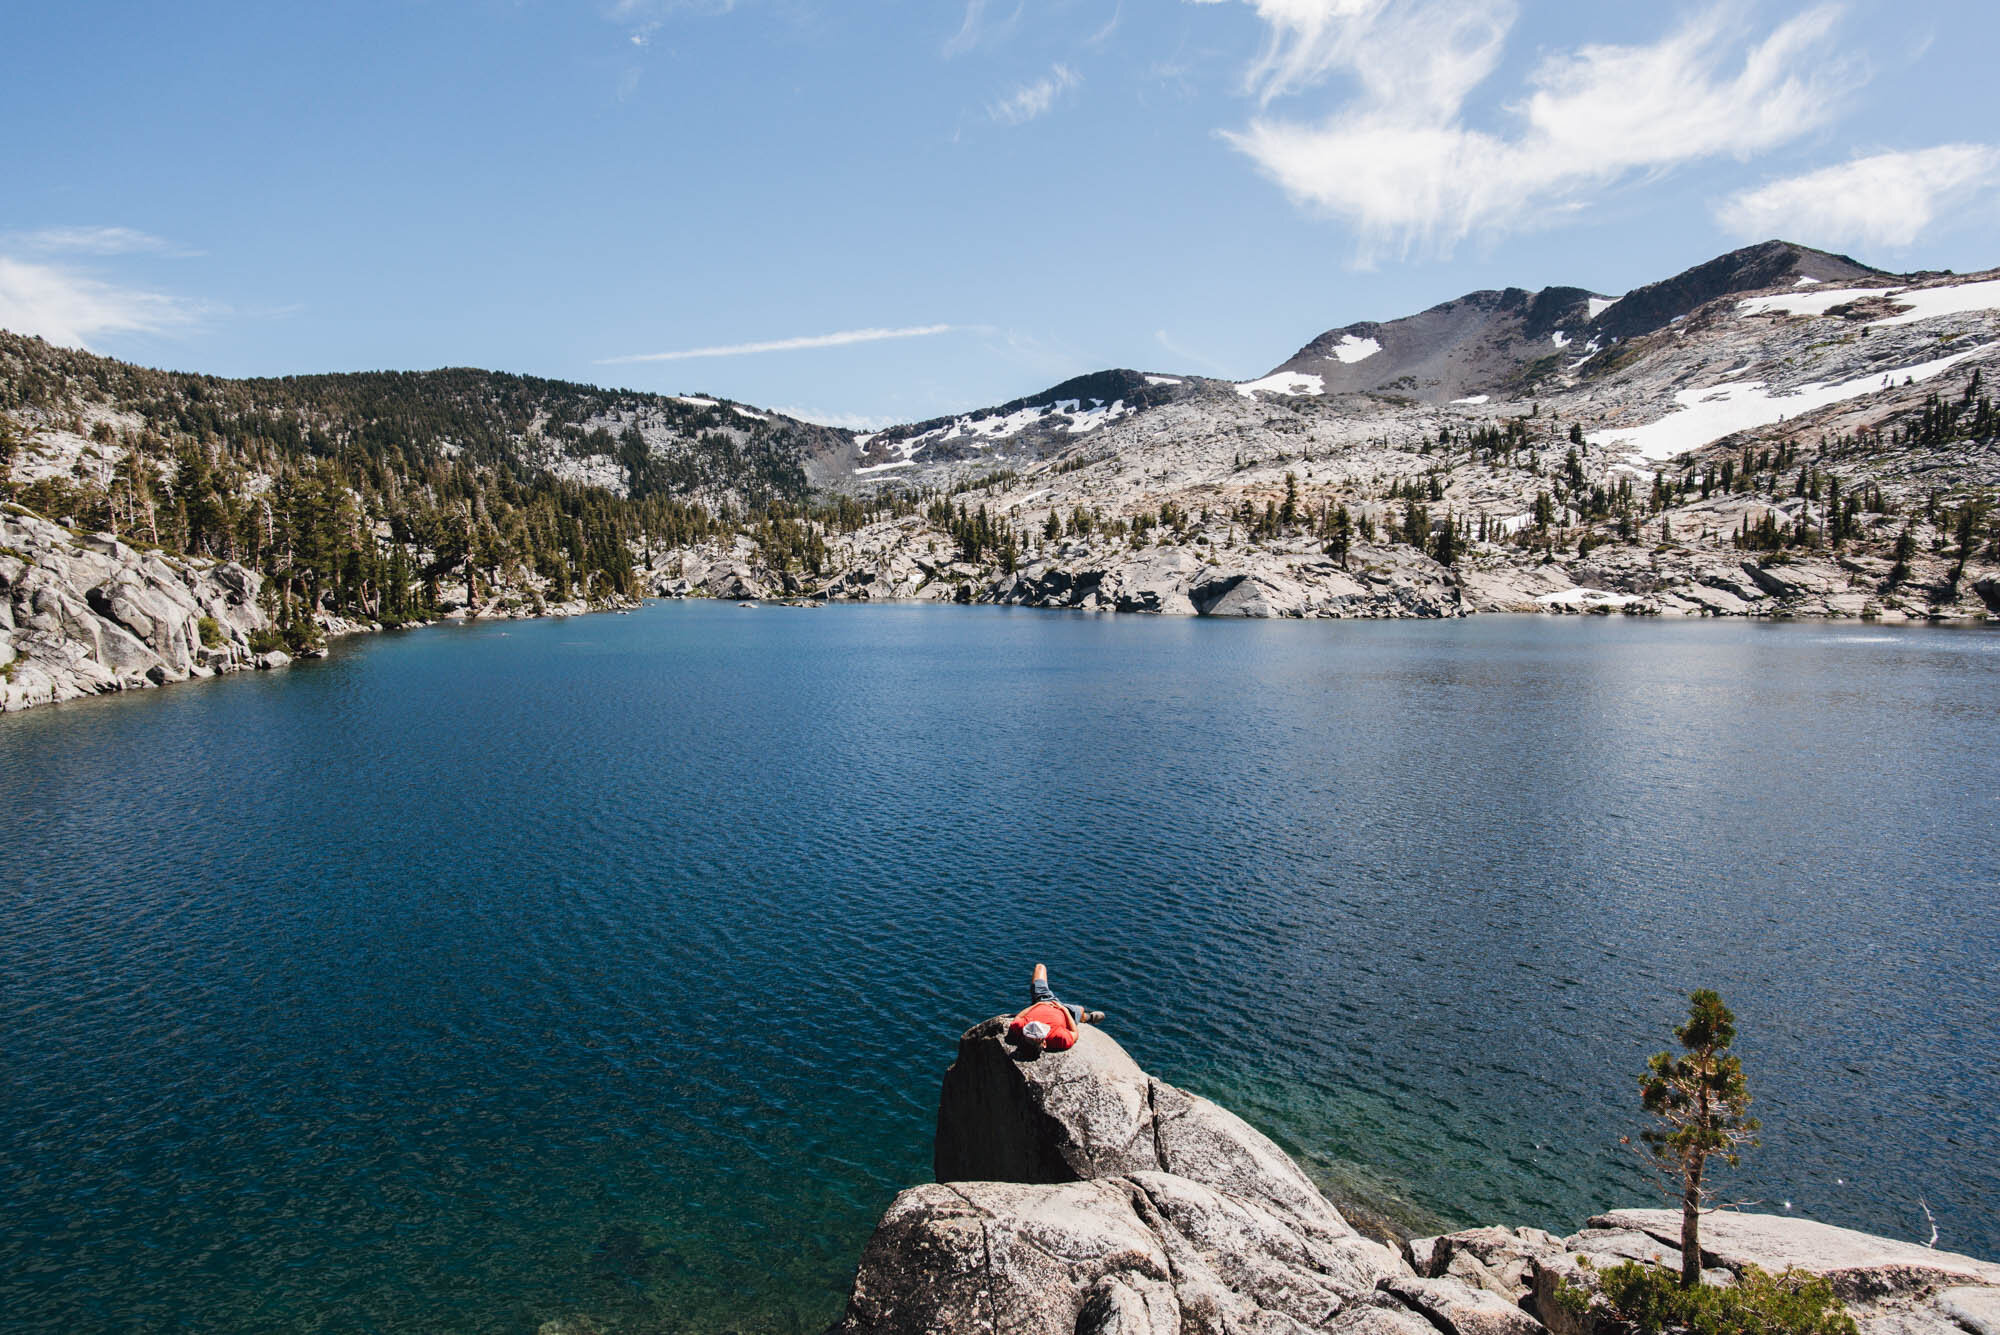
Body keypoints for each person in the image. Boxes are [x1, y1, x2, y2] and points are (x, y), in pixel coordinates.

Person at [1007, 963, 1106, 1052]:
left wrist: (1037, 1005)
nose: (1035, 1026)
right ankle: (1088, 1018)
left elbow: (1019, 1017)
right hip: (1062, 1011)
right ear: (1044, 1043)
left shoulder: (1019, 1027)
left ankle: (1083, 1016)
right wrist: (1064, 1010)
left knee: (1040, 967)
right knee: (1080, 1010)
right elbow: (1074, 1032)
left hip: (1042, 1000)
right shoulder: (1059, 1038)